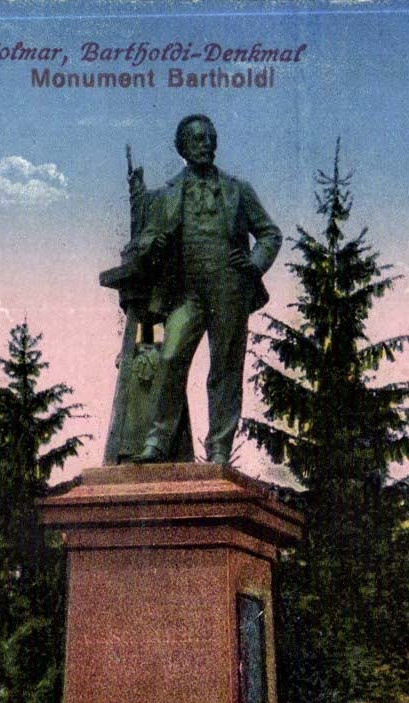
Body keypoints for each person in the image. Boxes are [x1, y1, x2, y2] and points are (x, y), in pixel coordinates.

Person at [135, 115, 282, 464]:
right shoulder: (167, 194)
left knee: (225, 368)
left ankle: (218, 447)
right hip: (187, 291)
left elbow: (270, 234)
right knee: (169, 357)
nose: (205, 144)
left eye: (209, 138)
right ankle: (158, 441)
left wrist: (254, 264)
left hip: (229, 288)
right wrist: (152, 244)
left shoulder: (237, 189)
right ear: (182, 148)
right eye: (197, 139)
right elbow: (144, 239)